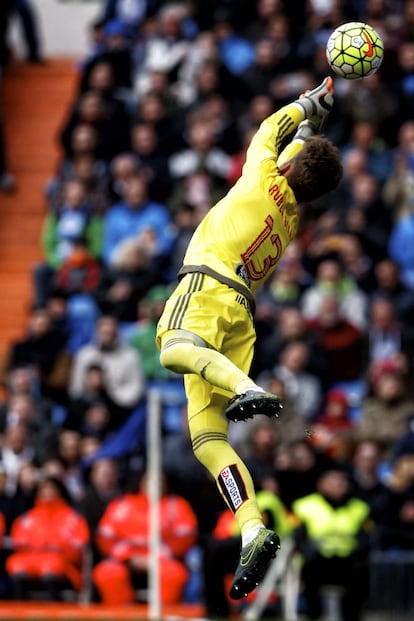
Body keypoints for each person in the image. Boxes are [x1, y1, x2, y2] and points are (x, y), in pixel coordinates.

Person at [156, 76, 343, 599]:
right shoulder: (290, 216)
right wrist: (311, 133)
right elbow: (301, 162)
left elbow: (268, 129)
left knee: (171, 347)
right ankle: (254, 528)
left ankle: (246, 388)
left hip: (208, 288)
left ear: (286, 163)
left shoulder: (264, 177)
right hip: (241, 313)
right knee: (208, 442)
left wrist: (310, 103)